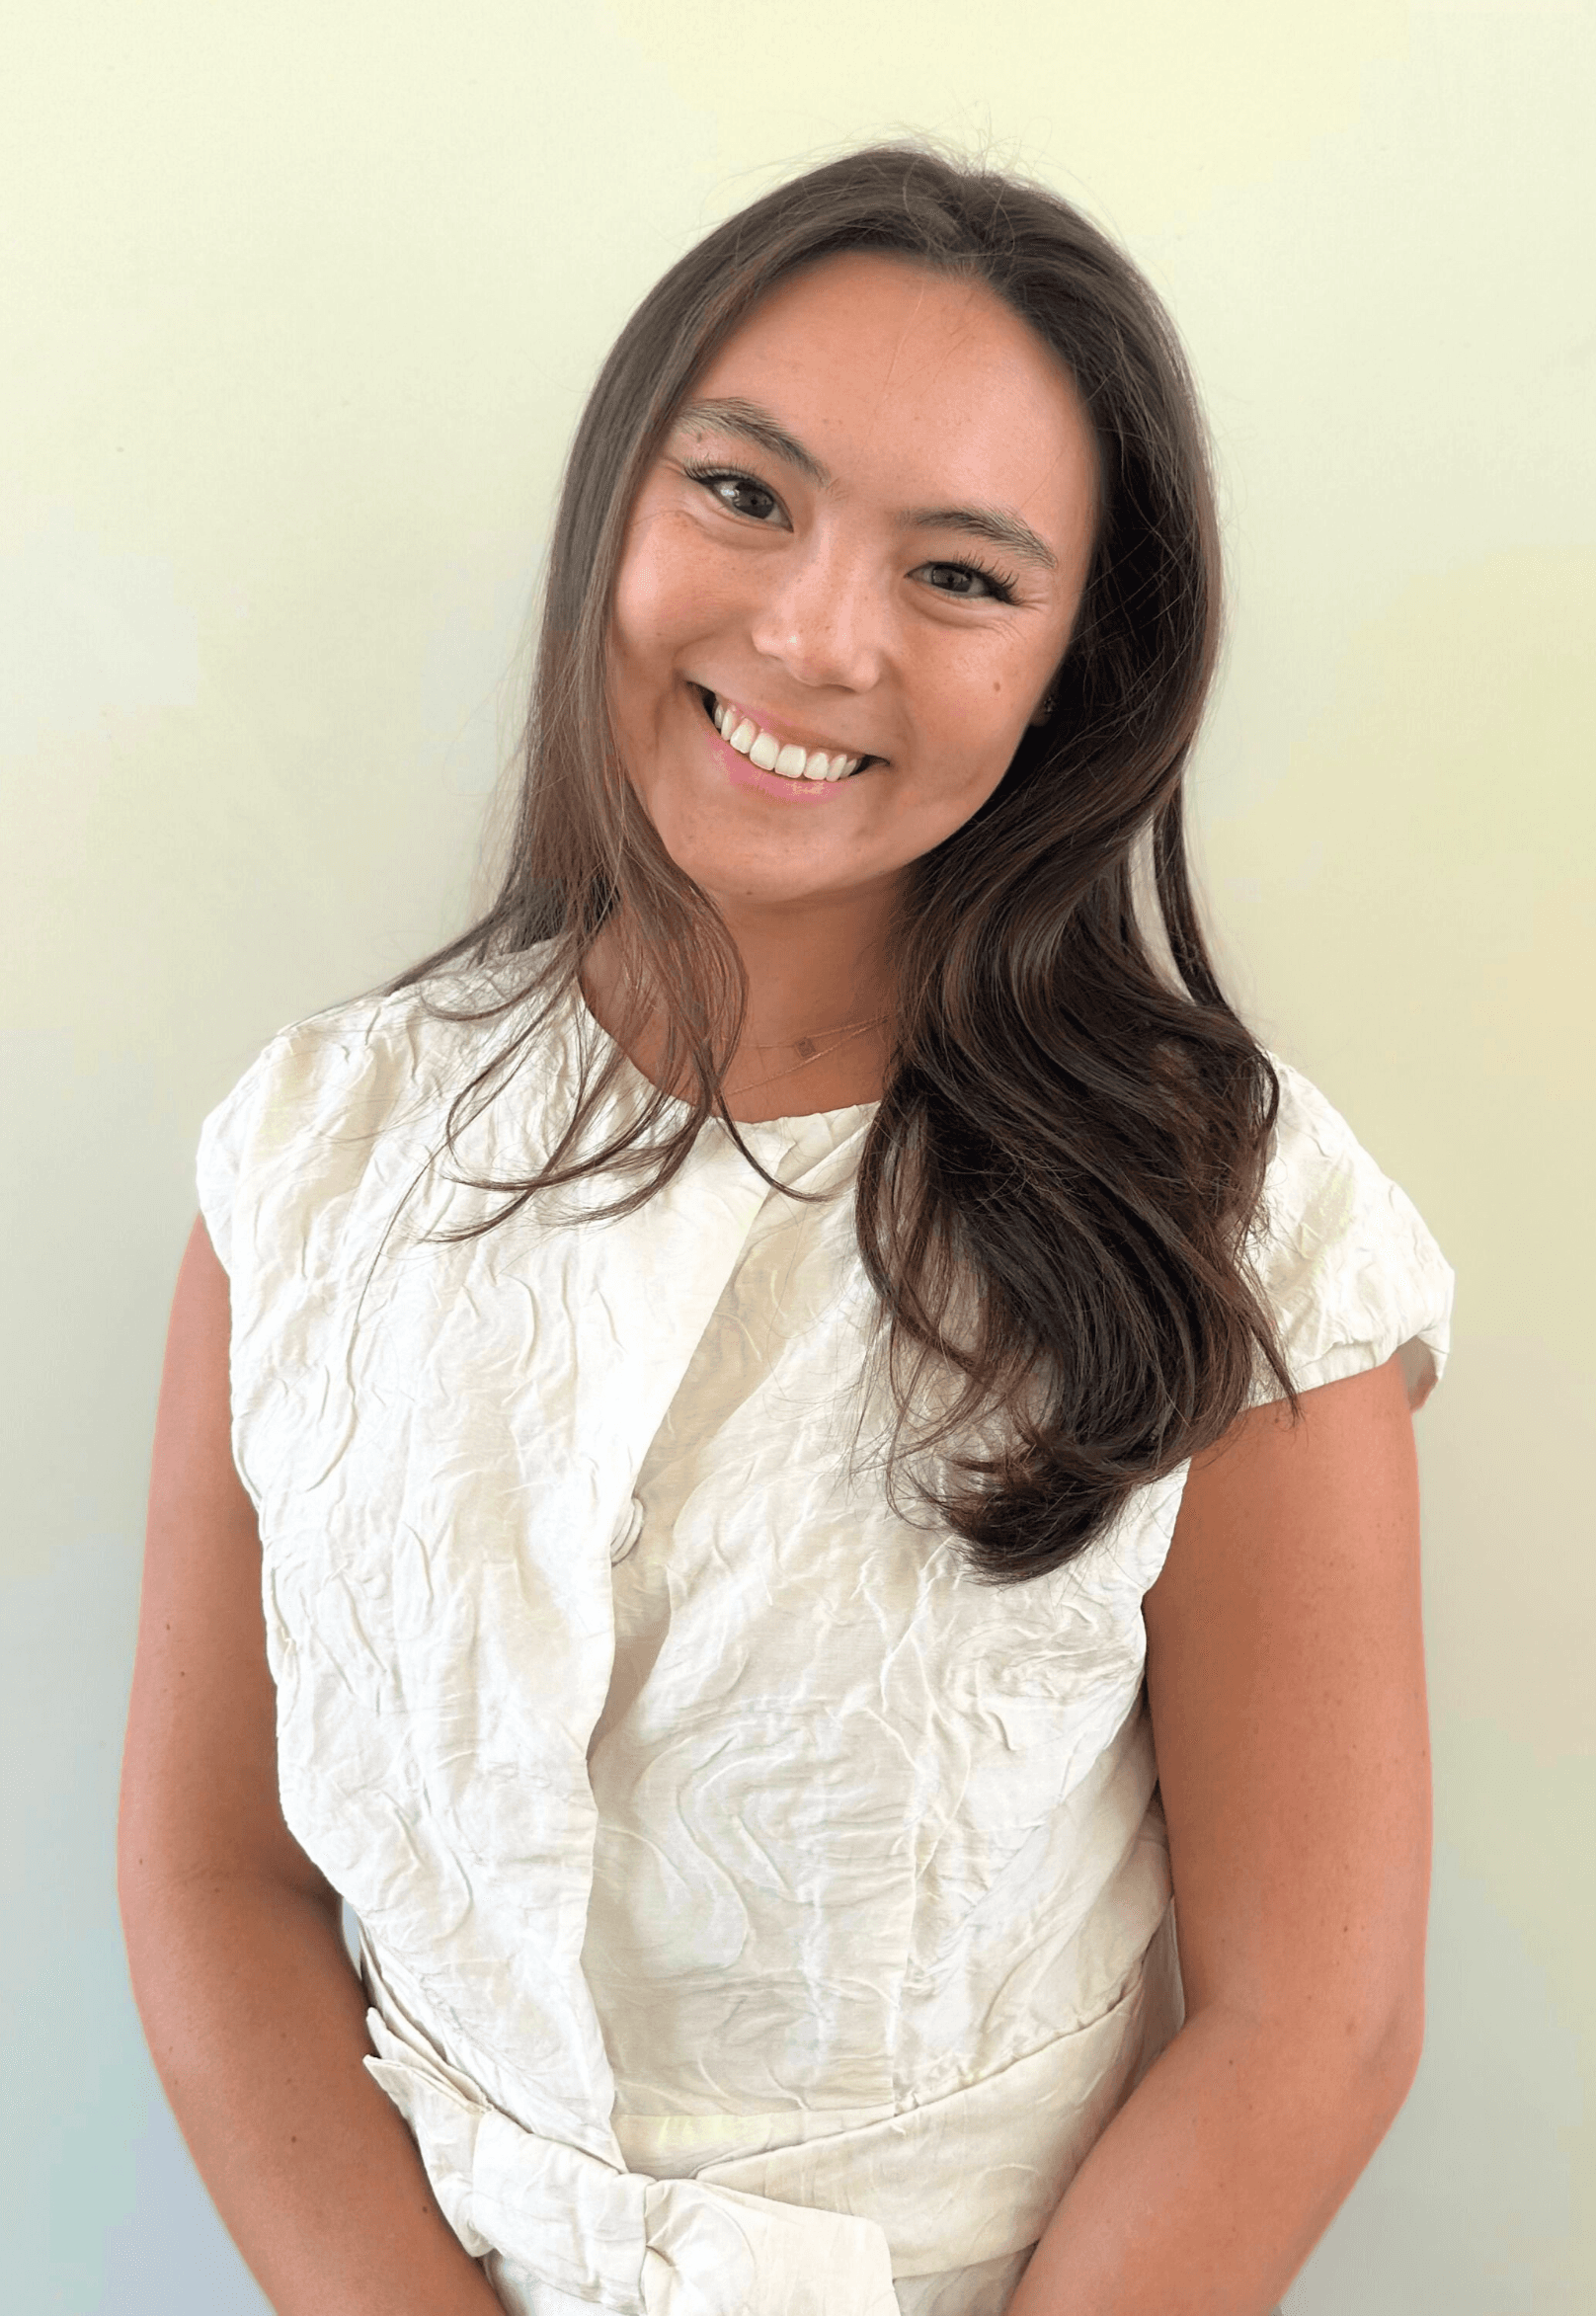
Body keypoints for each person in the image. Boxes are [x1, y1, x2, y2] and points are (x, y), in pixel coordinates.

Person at [119, 145, 1454, 2316]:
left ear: (1074, 673)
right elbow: (213, 1874)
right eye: (743, 495)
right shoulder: (313, 1146)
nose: (815, 634)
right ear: (616, 509)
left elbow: (1310, 2022)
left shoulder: (1237, 1219)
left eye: (959, 574)